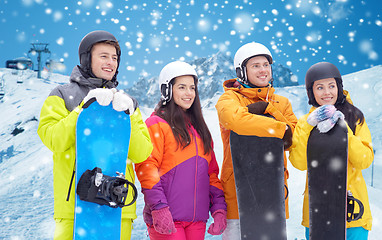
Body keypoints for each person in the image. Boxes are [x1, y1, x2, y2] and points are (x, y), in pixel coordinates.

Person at [37, 30, 153, 240]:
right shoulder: (62, 95)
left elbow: (142, 152)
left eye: (115, 58)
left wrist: (128, 116)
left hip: (118, 207)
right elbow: (54, 140)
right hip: (74, 207)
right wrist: (83, 110)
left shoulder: (128, 102)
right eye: (104, 56)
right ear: (86, 59)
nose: (111, 62)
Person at [135, 61, 227, 240]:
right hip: (168, 218)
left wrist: (218, 208)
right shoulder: (156, 124)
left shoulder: (200, 130)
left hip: (196, 220)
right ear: (167, 90)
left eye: (192, 88)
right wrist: (159, 207)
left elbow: (212, 174)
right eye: (182, 87)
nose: (189, 93)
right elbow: (147, 168)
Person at [215, 42, 298, 239]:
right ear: (241, 71)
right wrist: (278, 127)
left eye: (266, 65)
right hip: (238, 195)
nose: (263, 70)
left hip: (273, 191)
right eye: (255, 65)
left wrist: (269, 109)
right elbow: (236, 121)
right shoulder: (229, 100)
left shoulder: (283, 103)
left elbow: (292, 137)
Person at [289, 62, 374, 239]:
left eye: (331, 86)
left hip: (352, 213)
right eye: (320, 87)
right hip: (317, 212)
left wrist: (344, 130)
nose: (327, 92)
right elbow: (299, 163)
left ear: (339, 87)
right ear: (311, 92)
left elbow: (365, 160)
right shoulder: (305, 122)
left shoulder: (355, 117)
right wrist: (308, 126)